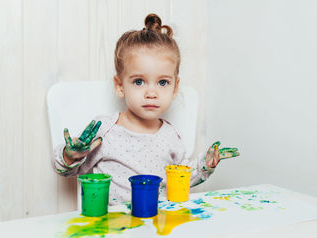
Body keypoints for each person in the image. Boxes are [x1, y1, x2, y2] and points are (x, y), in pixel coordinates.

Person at [52, 13, 239, 204]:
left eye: (163, 82)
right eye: (139, 81)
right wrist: (70, 155)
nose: (152, 93)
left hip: (158, 224)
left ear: (175, 87)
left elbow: (181, 178)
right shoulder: (104, 131)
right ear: (120, 86)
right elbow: (67, 170)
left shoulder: (170, 135)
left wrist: (205, 165)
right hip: (114, 227)